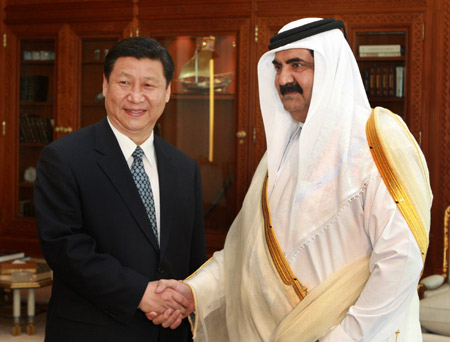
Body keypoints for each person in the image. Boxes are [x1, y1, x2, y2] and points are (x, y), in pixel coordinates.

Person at [148, 17, 433, 341]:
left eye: (297, 64)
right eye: (278, 66)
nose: (284, 78)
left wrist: (346, 337)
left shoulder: (375, 140)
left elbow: (402, 258)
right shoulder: (281, 155)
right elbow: (247, 254)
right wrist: (192, 292)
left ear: (330, 68)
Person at [34, 37, 206, 342]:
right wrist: (140, 293)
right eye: (124, 82)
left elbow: (194, 257)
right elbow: (65, 248)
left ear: (167, 92)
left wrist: (188, 298)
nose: (135, 97)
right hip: (93, 331)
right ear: (105, 86)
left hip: (169, 331)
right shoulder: (64, 157)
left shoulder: (184, 168)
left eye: (149, 86)